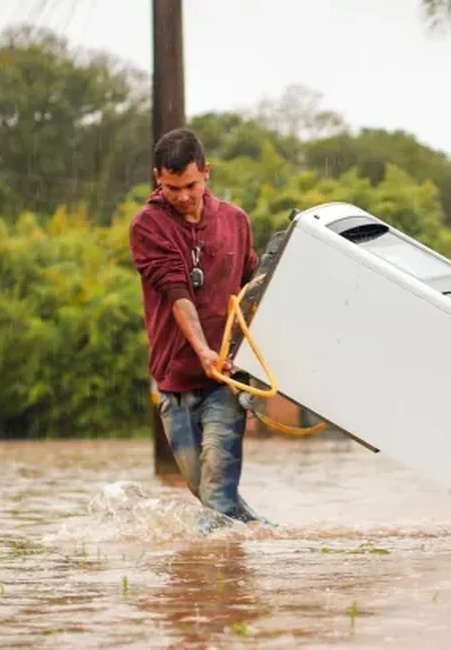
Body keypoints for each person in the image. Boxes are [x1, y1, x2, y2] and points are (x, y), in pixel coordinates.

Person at [129, 127, 267, 530]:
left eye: (190, 184)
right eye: (172, 187)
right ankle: (265, 537)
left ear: (207, 172)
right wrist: (201, 349)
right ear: (158, 177)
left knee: (217, 496)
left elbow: (252, 288)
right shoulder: (147, 226)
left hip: (224, 378)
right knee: (202, 489)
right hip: (174, 381)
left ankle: (217, 586)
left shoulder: (236, 221)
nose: (183, 196)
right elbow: (177, 293)